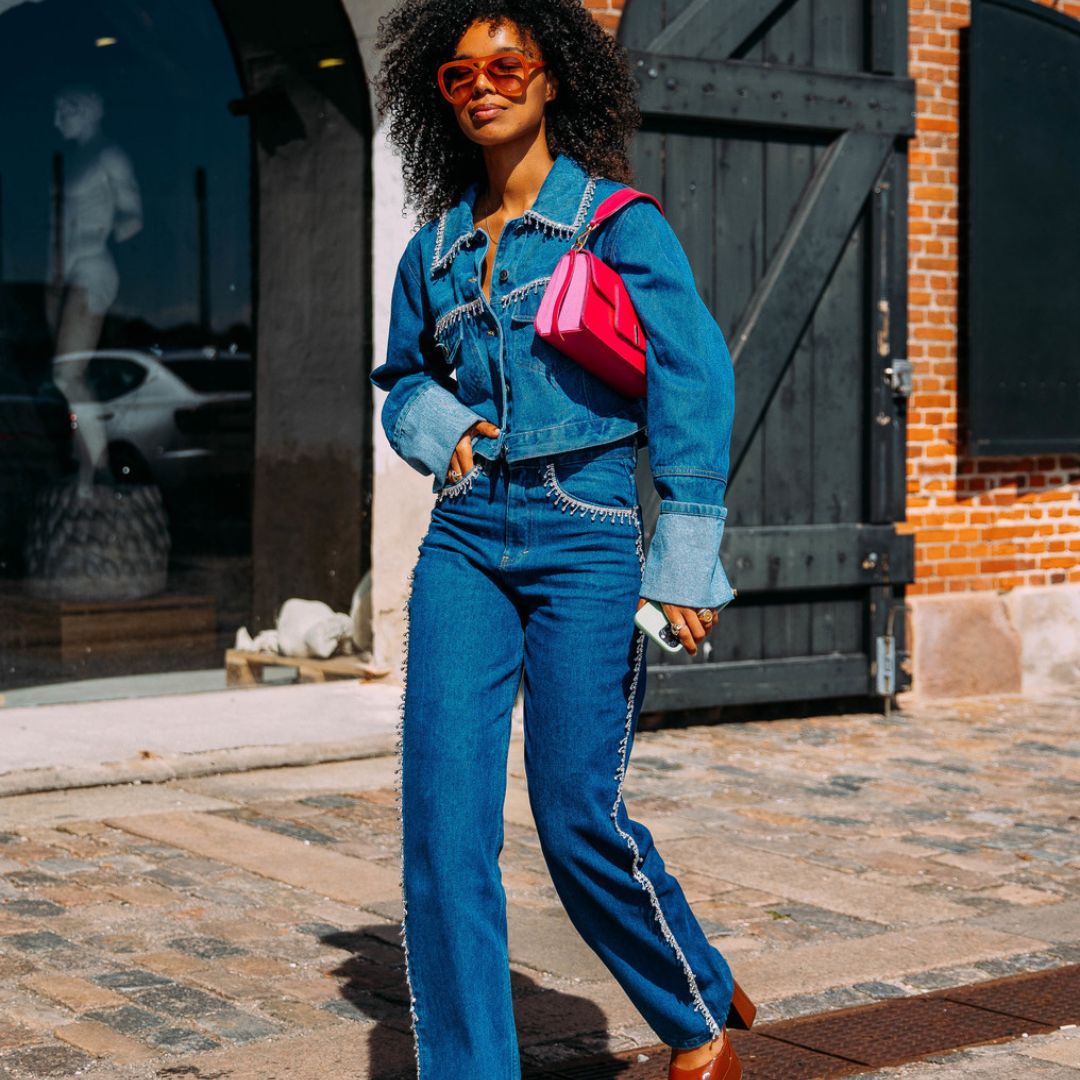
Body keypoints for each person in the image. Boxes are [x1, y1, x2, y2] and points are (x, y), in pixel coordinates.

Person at [370, 3, 754, 1077]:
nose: (482, 85)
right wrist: (439, 428)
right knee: (445, 835)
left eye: (505, 65)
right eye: (457, 75)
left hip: (587, 531)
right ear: (435, 97)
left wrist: (686, 553)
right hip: (466, 541)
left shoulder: (620, 223)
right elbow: (402, 380)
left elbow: (693, 376)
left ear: (552, 80)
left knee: (577, 814)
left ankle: (694, 1005)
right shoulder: (434, 249)